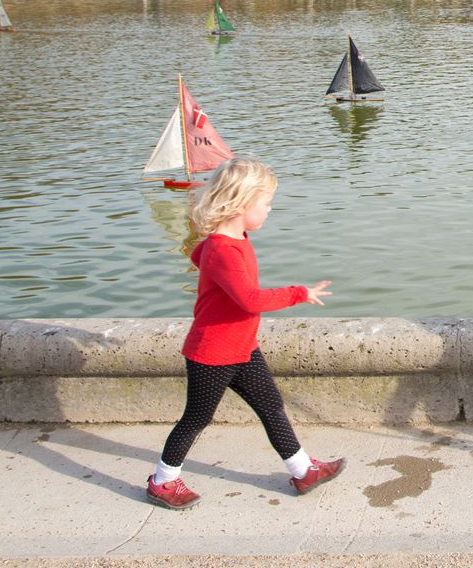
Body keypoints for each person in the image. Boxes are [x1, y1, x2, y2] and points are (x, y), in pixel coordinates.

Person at [146, 158, 344, 510]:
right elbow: (250, 300)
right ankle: (163, 481)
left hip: (241, 347)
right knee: (197, 418)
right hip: (213, 351)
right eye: (265, 203)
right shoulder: (223, 248)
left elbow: (196, 255)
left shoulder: (227, 241)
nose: (269, 210)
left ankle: (302, 470)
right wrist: (299, 292)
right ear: (240, 204)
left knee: (271, 406)